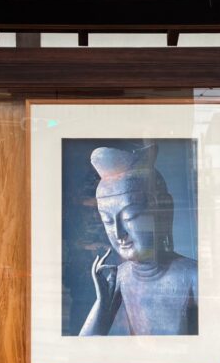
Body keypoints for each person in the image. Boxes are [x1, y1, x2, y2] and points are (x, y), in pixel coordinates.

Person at [79, 143, 198, 336]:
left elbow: (218, 344)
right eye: (107, 221)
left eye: (129, 217)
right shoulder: (120, 277)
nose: (119, 234)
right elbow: (83, 346)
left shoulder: (193, 276)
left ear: (162, 211)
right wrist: (103, 304)